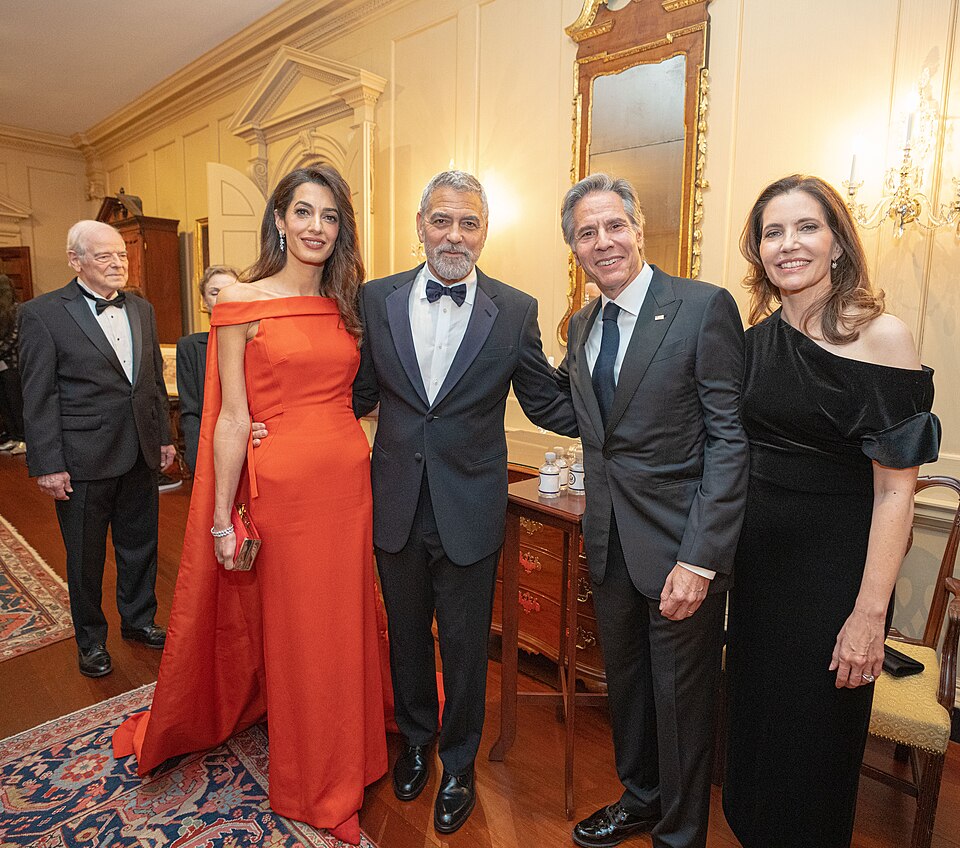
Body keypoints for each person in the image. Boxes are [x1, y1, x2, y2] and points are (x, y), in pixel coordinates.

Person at [113, 165, 388, 846]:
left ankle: (355, 751)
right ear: (280, 220)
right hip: (286, 491)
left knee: (346, 620)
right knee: (302, 631)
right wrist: (220, 520)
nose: (316, 227)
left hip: (348, 484)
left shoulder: (347, 304)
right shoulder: (241, 300)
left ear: (342, 229)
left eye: (330, 216)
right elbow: (231, 417)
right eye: (304, 212)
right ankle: (317, 778)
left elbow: (364, 395)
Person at [353, 169, 578, 834]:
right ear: (421, 227)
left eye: (469, 223)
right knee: (406, 638)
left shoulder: (515, 310)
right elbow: (355, 392)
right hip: (395, 501)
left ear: (484, 233)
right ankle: (415, 742)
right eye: (442, 220)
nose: (455, 235)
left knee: (464, 645)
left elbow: (547, 402)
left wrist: (626, 396)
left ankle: (458, 766)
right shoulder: (376, 298)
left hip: (471, 509)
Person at [722, 174, 941, 848]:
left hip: (834, 582)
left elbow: (896, 492)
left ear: (838, 243)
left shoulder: (883, 338)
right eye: (773, 232)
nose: (788, 244)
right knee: (756, 740)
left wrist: (869, 617)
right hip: (758, 576)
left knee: (814, 751)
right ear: (758, 251)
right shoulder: (752, 342)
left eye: (806, 227)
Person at [555, 174, 749, 848]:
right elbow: (591, 423)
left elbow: (729, 441)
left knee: (682, 704)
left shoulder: (701, 307)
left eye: (614, 225)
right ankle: (640, 799)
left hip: (679, 550)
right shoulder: (583, 324)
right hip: (610, 545)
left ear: (638, 229)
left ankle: (681, 834)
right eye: (587, 233)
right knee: (630, 691)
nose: (603, 241)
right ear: (574, 248)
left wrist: (700, 559)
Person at [18, 221, 174, 677]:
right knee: (85, 558)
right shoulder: (42, 313)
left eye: (121, 255)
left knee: (140, 545)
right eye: (104, 256)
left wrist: (163, 437)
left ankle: (139, 620)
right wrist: (48, 464)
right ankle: (90, 641)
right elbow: (38, 395)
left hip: (140, 450)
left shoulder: (141, 308)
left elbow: (150, 382)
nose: (117, 263)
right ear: (76, 260)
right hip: (82, 459)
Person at [176, 264, 238, 472]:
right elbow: (190, 410)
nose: (223, 297)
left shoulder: (258, 341)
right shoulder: (190, 347)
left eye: (230, 290)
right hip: (207, 448)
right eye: (214, 292)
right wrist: (197, 458)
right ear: (204, 301)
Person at [0, 274, 26, 456]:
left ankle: (23, 439)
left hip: (14, 364)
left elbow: (15, 336)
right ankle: (13, 436)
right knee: (4, 403)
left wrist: (1, 349)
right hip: (1, 364)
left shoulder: (18, 310)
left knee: (16, 403)